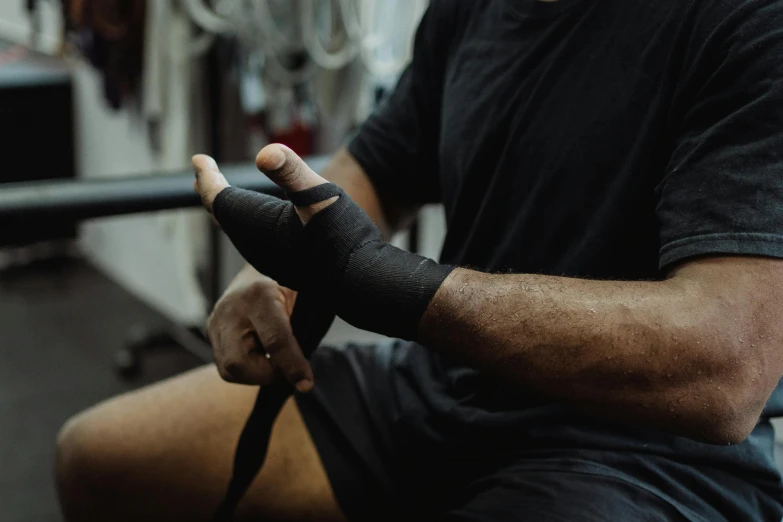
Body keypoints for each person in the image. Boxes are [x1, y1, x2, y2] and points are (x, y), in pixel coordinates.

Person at [55, 0, 783, 520]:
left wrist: (395, 286)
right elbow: (379, 166)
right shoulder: (472, 12)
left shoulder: (749, 22)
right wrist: (276, 272)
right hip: (442, 393)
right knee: (100, 459)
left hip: (644, 456)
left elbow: (727, 366)